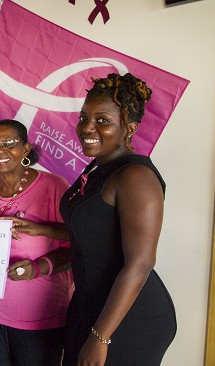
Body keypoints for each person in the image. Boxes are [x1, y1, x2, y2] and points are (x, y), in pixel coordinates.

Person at [60, 73, 177, 365]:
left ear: (129, 128)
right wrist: (38, 229)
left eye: (103, 120)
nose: (87, 127)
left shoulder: (136, 177)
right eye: (84, 118)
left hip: (128, 317)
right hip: (90, 303)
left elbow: (140, 263)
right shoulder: (97, 167)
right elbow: (93, 233)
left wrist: (100, 338)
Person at [0, 119, 73, 366]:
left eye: (9, 143)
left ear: (25, 149)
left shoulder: (54, 187)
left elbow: (78, 244)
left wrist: (37, 267)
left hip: (37, 314)